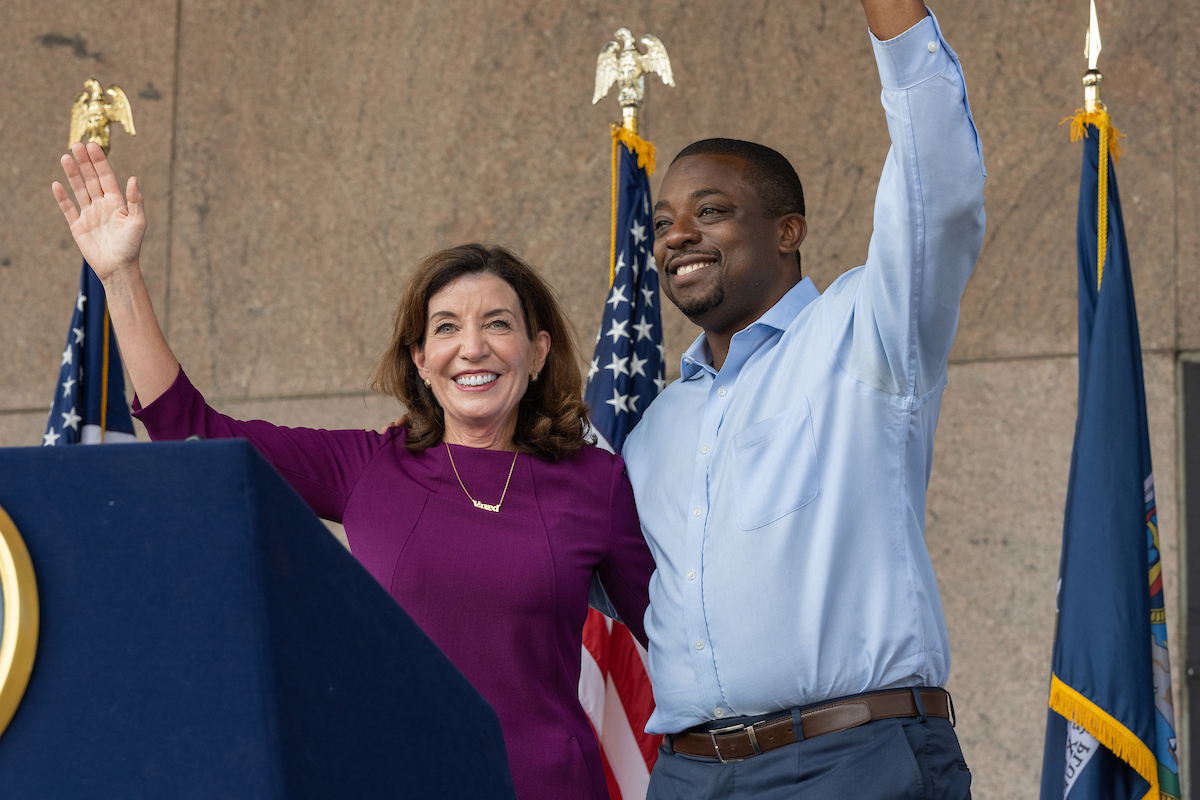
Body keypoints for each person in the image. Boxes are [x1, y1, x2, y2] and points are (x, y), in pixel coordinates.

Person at [51, 143, 655, 800]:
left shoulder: (596, 482)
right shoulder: (367, 468)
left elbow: (673, 635)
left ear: (536, 353)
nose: (472, 347)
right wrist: (120, 277)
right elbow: (188, 424)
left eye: (498, 324)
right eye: (446, 328)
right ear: (421, 361)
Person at [621, 1, 985, 797]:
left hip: (850, 760)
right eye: (664, 221)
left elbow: (941, 190)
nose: (677, 234)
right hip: (687, 773)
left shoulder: (863, 334)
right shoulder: (653, 430)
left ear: (788, 231)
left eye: (710, 210)